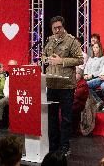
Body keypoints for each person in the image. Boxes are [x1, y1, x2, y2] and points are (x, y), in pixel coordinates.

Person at [43, 16, 83, 155]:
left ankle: (65, 146)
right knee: (51, 117)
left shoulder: (71, 41)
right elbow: (43, 56)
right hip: (52, 83)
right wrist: (45, 59)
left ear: (63, 26)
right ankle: (53, 146)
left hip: (66, 85)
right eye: (54, 28)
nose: (57, 30)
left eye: (59, 27)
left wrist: (62, 61)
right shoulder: (49, 41)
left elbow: (80, 59)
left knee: (66, 118)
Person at [0, 60, 18, 129]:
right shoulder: (8, 78)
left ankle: (15, 123)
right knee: (1, 102)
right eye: (10, 66)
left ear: (17, 65)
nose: (11, 67)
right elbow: (5, 88)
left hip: (18, 97)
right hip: (8, 96)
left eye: (13, 65)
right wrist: (7, 95)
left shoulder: (21, 76)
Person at [72, 68, 89, 136]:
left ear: (80, 75)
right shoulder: (72, 82)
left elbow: (76, 95)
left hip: (79, 103)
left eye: (76, 73)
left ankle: (73, 131)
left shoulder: (83, 83)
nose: (74, 75)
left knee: (70, 109)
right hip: (72, 101)